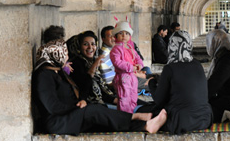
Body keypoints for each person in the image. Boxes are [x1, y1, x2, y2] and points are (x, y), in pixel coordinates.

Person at [31, 35, 166, 135]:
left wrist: (81, 102)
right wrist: (77, 108)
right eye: (64, 53)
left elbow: (81, 87)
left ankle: (144, 125)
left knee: (101, 119)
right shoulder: (43, 76)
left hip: (69, 117)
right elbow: (52, 106)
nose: (67, 56)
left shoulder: (57, 72)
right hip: (58, 122)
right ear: (55, 54)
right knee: (93, 111)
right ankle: (138, 118)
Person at [147, 30, 212, 134]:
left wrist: (151, 83)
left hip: (181, 121)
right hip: (205, 118)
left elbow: (159, 100)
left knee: (148, 112)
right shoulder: (197, 65)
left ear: (171, 46)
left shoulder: (170, 68)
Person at [67, 30, 118, 109]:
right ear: (79, 47)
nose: (90, 47)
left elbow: (101, 91)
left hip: (103, 101)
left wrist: (116, 100)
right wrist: (94, 67)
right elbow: (85, 88)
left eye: (93, 44)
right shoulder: (75, 64)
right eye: (85, 44)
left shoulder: (91, 61)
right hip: (89, 105)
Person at [109, 21, 146, 113]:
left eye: (126, 33)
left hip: (133, 77)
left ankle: (131, 115)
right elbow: (117, 62)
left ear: (130, 36)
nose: (124, 35)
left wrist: (139, 65)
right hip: (122, 78)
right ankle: (124, 117)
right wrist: (130, 67)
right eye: (120, 33)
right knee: (124, 98)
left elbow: (138, 58)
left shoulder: (130, 47)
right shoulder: (116, 49)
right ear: (116, 36)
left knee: (133, 97)